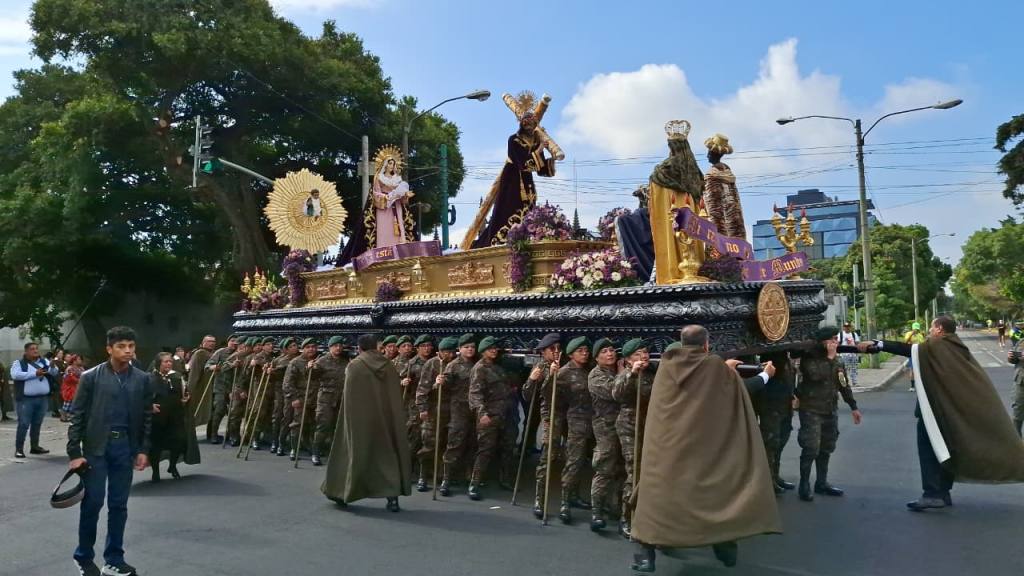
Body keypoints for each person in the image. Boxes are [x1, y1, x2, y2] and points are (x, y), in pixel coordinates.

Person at [630, 325, 779, 573]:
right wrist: (763, 375)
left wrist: (723, 370)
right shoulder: (715, 368)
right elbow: (742, 389)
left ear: (681, 343)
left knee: (655, 496)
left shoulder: (667, 366)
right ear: (706, 345)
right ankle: (724, 544)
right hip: (703, 449)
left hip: (667, 449)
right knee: (717, 492)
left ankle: (646, 555)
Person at [857, 316, 1024, 510]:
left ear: (939, 329)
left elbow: (910, 349)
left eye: (931, 327)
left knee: (929, 450)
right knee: (945, 451)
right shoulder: (956, 346)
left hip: (936, 411)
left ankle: (932, 493)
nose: (929, 331)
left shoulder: (938, 345)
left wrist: (878, 344)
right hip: (949, 411)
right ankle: (943, 492)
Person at [67, 326, 152, 576]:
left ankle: (114, 559)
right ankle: (83, 557)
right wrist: (74, 452)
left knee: (119, 505)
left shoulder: (141, 379)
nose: (127, 351)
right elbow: (77, 415)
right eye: (121, 346)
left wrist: (143, 449)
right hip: (95, 448)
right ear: (109, 349)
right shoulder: (91, 377)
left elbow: (147, 416)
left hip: (124, 448)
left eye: (131, 346)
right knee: (92, 503)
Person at [322, 333, 411, 511]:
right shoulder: (388, 365)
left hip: (360, 419)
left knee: (353, 453)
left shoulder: (355, 366)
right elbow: (394, 394)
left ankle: (342, 493)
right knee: (387, 455)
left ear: (359, 348)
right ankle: (392, 498)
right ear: (376, 347)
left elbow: (350, 398)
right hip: (385, 420)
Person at [464, 95, 559, 249]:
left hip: (527, 183)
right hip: (512, 181)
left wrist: (551, 160)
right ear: (521, 123)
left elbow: (540, 169)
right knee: (508, 210)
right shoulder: (513, 140)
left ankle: (526, 238)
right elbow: (523, 163)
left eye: (532, 121)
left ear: (535, 124)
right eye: (526, 121)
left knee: (529, 210)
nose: (529, 123)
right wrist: (540, 149)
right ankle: (501, 241)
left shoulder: (535, 141)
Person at [794, 327, 863, 502]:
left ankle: (821, 482)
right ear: (823, 341)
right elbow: (816, 375)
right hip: (811, 409)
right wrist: (830, 358)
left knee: (826, 447)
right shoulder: (809, 358)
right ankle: (804, 484)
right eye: (832, 339)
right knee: (811, 447)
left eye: (836, 339)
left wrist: (853, 406)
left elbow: (843, 384)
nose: (836, 342)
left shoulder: (837, 361)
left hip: (830, 409)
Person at [647, 120, 705, 285]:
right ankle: (695, 269)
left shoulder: (663, 171)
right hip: (690, 210)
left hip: (670, 212)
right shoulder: (695, 173)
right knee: (691, 237)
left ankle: (673, 271)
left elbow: (655, 184)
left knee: (674, 236)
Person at [611, 338, 655, 538]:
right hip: (629, 426)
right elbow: (617, 394)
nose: (643, 356)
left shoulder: (652, 373)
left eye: (645, 352)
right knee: (634, 471)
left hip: (650, 426)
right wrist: (632, 373)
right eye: (637, 354)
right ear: (628, 360)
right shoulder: (625, 375)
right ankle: (626, 517)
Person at [466, 336, 517, 500]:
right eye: (490, 349)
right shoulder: (479, 368)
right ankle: (474, 483)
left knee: (508, 447)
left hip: (505, 414)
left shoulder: (498, 367)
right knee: (485, 450)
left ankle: (505, 479)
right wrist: (482, 413)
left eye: (495, 348)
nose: (493, 351)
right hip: (489, 415)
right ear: (482, 351)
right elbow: (475, 393)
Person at [520, 332, 562, 518]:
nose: (556, 352)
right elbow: (529, 395)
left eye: (558, 348)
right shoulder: (541, 367)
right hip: (550, 415)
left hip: (573, 415)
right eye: (552, 349)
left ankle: (570, 498)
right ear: (544, 352)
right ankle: (540, 498)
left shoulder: (567, 366)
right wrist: (533, 379)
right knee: (547, 458)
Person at [554, 336, 595, 523]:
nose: (585, 354)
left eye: (586, 351)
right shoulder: (564, 373)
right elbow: (556, 400)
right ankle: (564, 501)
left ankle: (575, 495)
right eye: (580, 351)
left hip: (594, 420)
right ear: (571, 355)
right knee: (573, 461)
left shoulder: (590, 369)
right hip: (576, 421)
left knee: (585, 461)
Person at [587, 337, 623, 532]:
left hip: (623, 427)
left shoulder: (616, 372)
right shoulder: (596, 375)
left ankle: (615, 506)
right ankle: (597, 512)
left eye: (611, 350)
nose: (610, 354)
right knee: (604, 468)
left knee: (621, 469)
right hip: (605, 427)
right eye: (604, 352)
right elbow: (615, 392)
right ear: (597, 358)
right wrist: (623, 373)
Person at [437, 333, 478, 496]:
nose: (470, 350)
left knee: (473, 443)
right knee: (455, 442)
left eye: (472, 347)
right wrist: (441, 381)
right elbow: (446, 382)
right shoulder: (453, 365)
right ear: (460, 349)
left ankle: (469, 476)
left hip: (474, 409)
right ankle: (446, 478)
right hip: (459, 409)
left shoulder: (478, 364)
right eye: (466, 347)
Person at [415, 336, 457, 492]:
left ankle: (444, 478)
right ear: (441, 351)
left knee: (449, 445)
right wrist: (422, 408)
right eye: (448, 352)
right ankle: (423, 476)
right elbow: (422, 389)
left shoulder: (456, 365)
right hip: (435, 409)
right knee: (429, 444)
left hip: (453, 410)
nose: (451, 355)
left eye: (453, 351)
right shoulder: (432, 364)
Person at [148, 352, 198, 482]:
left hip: (175, 417)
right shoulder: (149, 378)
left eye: (170, 361)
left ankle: (172, 466)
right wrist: (149, 405)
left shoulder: (177, 377)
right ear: (159, 363)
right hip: (157, 419)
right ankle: (155, 472)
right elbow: (143, 397)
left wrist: (186, 399)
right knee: (156, 446)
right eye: (165, 361)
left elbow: (184, 393)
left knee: (179, 441)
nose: (169, 364)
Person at [754, 350, 797, 495]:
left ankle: (775, 476)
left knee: (779, 443)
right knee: (771, 444)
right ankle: (769, 481)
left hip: (784, 405)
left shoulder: (786, 360)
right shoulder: (771, 360)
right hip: (771, 407)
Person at [11, 342, 59, 458]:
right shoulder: (18, 363)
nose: (36, 351)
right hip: (26, 400)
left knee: (37, 423)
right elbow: (15, 375)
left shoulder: (44, 362)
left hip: (42, 399)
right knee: (23, 424)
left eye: (37, 349)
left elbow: (53, 373)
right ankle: (19, 449)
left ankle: (35, 447)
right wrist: (34, 374)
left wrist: (52, 366)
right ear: (26, 351)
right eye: (32, 349)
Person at [310, 336, 349, 466]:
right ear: (330, 347)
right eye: (335, 346)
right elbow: (313, 377)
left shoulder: (345, 361)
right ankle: (315, 452)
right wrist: (310, 368)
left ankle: (333, 453)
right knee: (323, 425)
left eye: (340, 346)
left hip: (340, 397)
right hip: (326, 398)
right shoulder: (322, 361)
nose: (338, 348)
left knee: (337, 426)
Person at [702, 133, 746, 241]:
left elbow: (713, 205)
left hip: (720, 227)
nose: (707, 156)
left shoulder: (712, 175)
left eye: (709, 153)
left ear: (714, 154)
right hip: (735, 223)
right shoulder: (728, 173)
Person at [282, 339, 319, 461]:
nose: (311, 349)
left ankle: (312, 448)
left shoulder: (319, 361)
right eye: (308, 347)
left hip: (315, 398)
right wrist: (295, 398)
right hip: (301, 397)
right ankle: (294, 448)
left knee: (313, 425)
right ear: (303, 348)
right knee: (297, 424)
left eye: (313, 346)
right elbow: (287, 383)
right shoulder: (295, 362)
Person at [204, 335, 240, 443]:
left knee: (234, 413)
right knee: (219, 411)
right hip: (220, 387)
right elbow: (207, 366)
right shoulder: (220, 352)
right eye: (232, 341)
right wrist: (213, 367)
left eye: (236, 341)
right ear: (228, 342)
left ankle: (232, 435)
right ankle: (213, 434)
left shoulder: (240, 354)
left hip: (234, 387)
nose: (234, 343)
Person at [269, 338, 300, 455]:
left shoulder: (300, 360)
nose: (295, 348)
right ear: (286, 349)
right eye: (291, 346)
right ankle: (276, 442)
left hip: (294, 391)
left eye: (295, 345)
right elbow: (274, 377)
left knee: (292, 417)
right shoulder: (279, 361)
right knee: (280, 417)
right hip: (280, 392)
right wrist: (270, 372)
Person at [185, 335, 216, 433]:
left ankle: (211, 433)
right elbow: (194, 372)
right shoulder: (200, 353)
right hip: (201, 387)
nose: (212, 343)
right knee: (197, 410)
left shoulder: (213, 353)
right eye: (209, 341)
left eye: (214, 341)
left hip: (212, 386)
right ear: (203, 342)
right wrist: (190, 389)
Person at [62, 355, 85, 423]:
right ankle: (63, 416)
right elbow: (70, 378)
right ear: (74, 361)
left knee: (74, 402)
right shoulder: (70, 368)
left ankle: (71, 415)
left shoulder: (81, 368)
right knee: (68, 402)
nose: (80, 361)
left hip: (77, 387)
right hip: (70, 387)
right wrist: (80, 381)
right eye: (79, 359)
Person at [904, 322, 927, 392]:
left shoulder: (920, 335)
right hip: (912, 353)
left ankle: (922, 385)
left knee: (921, 369)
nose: (916, 330)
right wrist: (911, 334)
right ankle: (912, 386)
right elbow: (905, 341)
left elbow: (923, 343)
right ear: (912, 328)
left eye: (917, 329)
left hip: (920, 353)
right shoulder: (908, 334)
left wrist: (924, 337)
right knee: (912, 369)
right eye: (915, 329)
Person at [838, 322, 860, 386]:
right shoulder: (840, 334)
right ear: (843, 327)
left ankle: (854, 382)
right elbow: (838, 344)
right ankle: (845, 382)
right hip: (844, 354)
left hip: (853, 354)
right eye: (845, 327)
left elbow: (857, 343)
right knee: (844, 369)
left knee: (854, 368)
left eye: (848, 327)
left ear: (850, 327)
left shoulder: (854, 334)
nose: (847, 328)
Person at [1010, 342, 1024, 437]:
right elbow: (1014, 360)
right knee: (1017, 412)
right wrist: (1011, 357)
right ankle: (1018, 445)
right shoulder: (1021, 342)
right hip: (1020, 382)